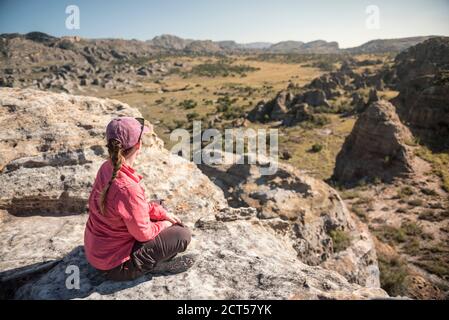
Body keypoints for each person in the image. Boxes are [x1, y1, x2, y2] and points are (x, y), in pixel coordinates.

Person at [84, 117, 192, 281]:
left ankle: (156, 235)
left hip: (98, 251)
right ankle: (152, 266)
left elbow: (128, 206)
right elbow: (143, 235)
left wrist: (160, 212)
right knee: (181, 235)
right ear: (138, 145)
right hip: (115, 266)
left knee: (159, 205)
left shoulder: (106, 167)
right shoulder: (128, 188)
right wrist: (165, 223)